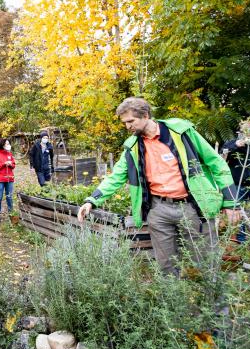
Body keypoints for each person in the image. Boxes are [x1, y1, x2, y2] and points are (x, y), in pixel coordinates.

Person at [77, 97, 240, 276]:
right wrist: (92, 200)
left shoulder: (181, 133)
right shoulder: (132, 147)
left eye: (131, 121)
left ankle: (215, 303)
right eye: (124, 123)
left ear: (145, 115)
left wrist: (231, 202)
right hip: (158, 210)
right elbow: (115, 177)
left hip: (193, 207)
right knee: (166, 267)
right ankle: (174, 303)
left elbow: (217, 163)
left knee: (206, 261)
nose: (127, 127)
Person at [222, 121, 250, 245]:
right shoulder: (233, 144)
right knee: (236, 213)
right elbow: (221, 153)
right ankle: (239, 241)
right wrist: (236, 145)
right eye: (248, 135)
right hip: (237, 185)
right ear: (242, 134)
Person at [0, 138, 16, 223]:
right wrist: (4, 164)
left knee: (9, 197)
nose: (8, 145)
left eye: (8, 144)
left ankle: (11, 215)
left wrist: (10, 164)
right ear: (2, 144)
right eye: (6, 144)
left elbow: (13, 164)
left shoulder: (9, 154)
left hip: (10, 178)